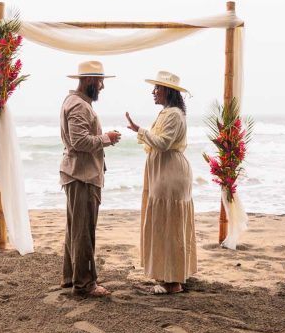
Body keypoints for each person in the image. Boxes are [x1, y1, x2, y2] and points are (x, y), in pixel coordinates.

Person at [125, 71, 197, 295]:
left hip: (170, 173)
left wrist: (140, 130)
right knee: (163, 224)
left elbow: (164, 143)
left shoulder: (174, 114)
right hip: (162, 172)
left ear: (168, 91)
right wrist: (142, 133)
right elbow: (155, 144)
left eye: (157, 88)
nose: (153, 92)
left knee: (170, 224)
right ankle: (167, 276)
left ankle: (173, 281)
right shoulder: (167, 113)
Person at [60, 60, 121, 297]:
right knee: (83, 230)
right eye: (100, 81)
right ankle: (84, 284)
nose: (103, 86)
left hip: (77, 173)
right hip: (82, 176)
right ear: (88, 81)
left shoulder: (74, 101)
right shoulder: (79, 106)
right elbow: (80, 141)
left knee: (74, 229)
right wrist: (107, 138)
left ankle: (70, 277)